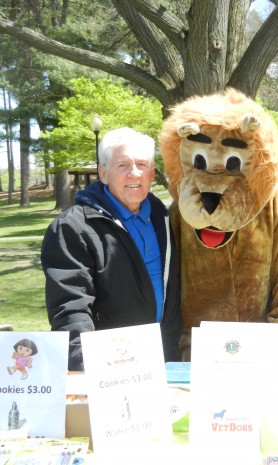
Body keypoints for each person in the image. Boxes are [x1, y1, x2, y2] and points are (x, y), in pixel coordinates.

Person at [41, 127, 182, 371]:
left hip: (168, 359)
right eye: (123, 166)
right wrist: (86, 364)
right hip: (115, 366)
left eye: (141, 165)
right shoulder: (73, 228)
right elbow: (70, 307)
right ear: (103, 173)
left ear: (152, 173)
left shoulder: (168, 218)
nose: (134, 174)